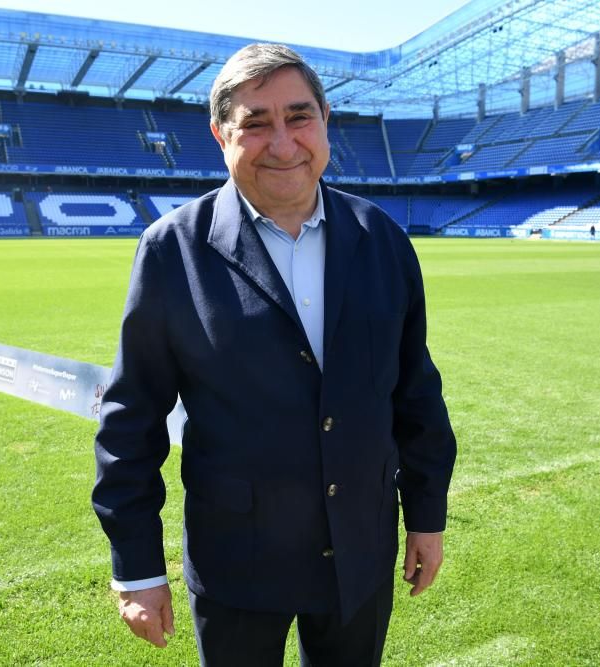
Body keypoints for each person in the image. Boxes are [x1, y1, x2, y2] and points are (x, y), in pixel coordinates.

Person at [93, 43, 457, 666]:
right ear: (220, 135)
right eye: (255, 123)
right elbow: (131, 419)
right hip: (236, 561)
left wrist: (426, 514)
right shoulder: (172, 250)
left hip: (360, 552)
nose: (283, 143)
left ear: (325, 122)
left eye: (299, 117)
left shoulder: (383, 241)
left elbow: (414, 391)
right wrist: (137, 568)